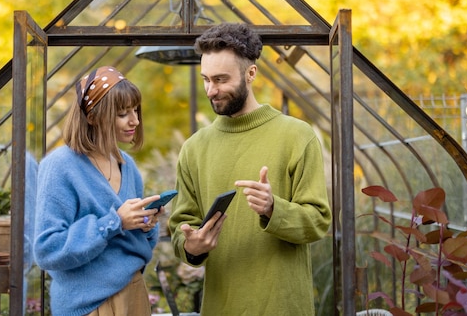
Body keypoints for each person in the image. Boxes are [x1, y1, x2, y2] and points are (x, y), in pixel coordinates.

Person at [168, 23, 332, 315]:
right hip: (221, 307)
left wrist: (273, 209)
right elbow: (180, 228)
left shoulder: (297, 135)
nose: (211, 90)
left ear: (251, 73)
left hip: (283, 307)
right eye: (206, 79)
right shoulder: (194, 148)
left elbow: (318, 221)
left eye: (220, 79)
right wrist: (192, 246)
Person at [34, 66, 162, 316]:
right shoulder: (60, 166)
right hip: (87, 304)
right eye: (123, 113)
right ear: (92, 116)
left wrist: (147, 223)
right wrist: (115, 222)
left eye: (135, 110)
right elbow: (48, 249)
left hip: (133, 293)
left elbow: (140, 241)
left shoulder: (128, 166)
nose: (134, 120)